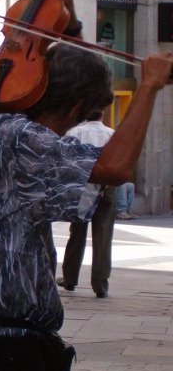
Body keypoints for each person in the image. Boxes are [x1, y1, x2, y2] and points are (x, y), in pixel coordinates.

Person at [0, 0, 173, 371]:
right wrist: (147, 87)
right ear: (73, 107)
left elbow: (21, 47)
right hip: (5, 350)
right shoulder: (20, 141)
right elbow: (113, 167)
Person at [57, 111, 116, 298]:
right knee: (103, 235)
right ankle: (100, 285)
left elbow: (64, 162)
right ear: (102, 115)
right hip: (106, 187)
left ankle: (70, 278)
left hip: (81, 187)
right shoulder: (112, 134)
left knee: (77, 233)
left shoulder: (74, 133)